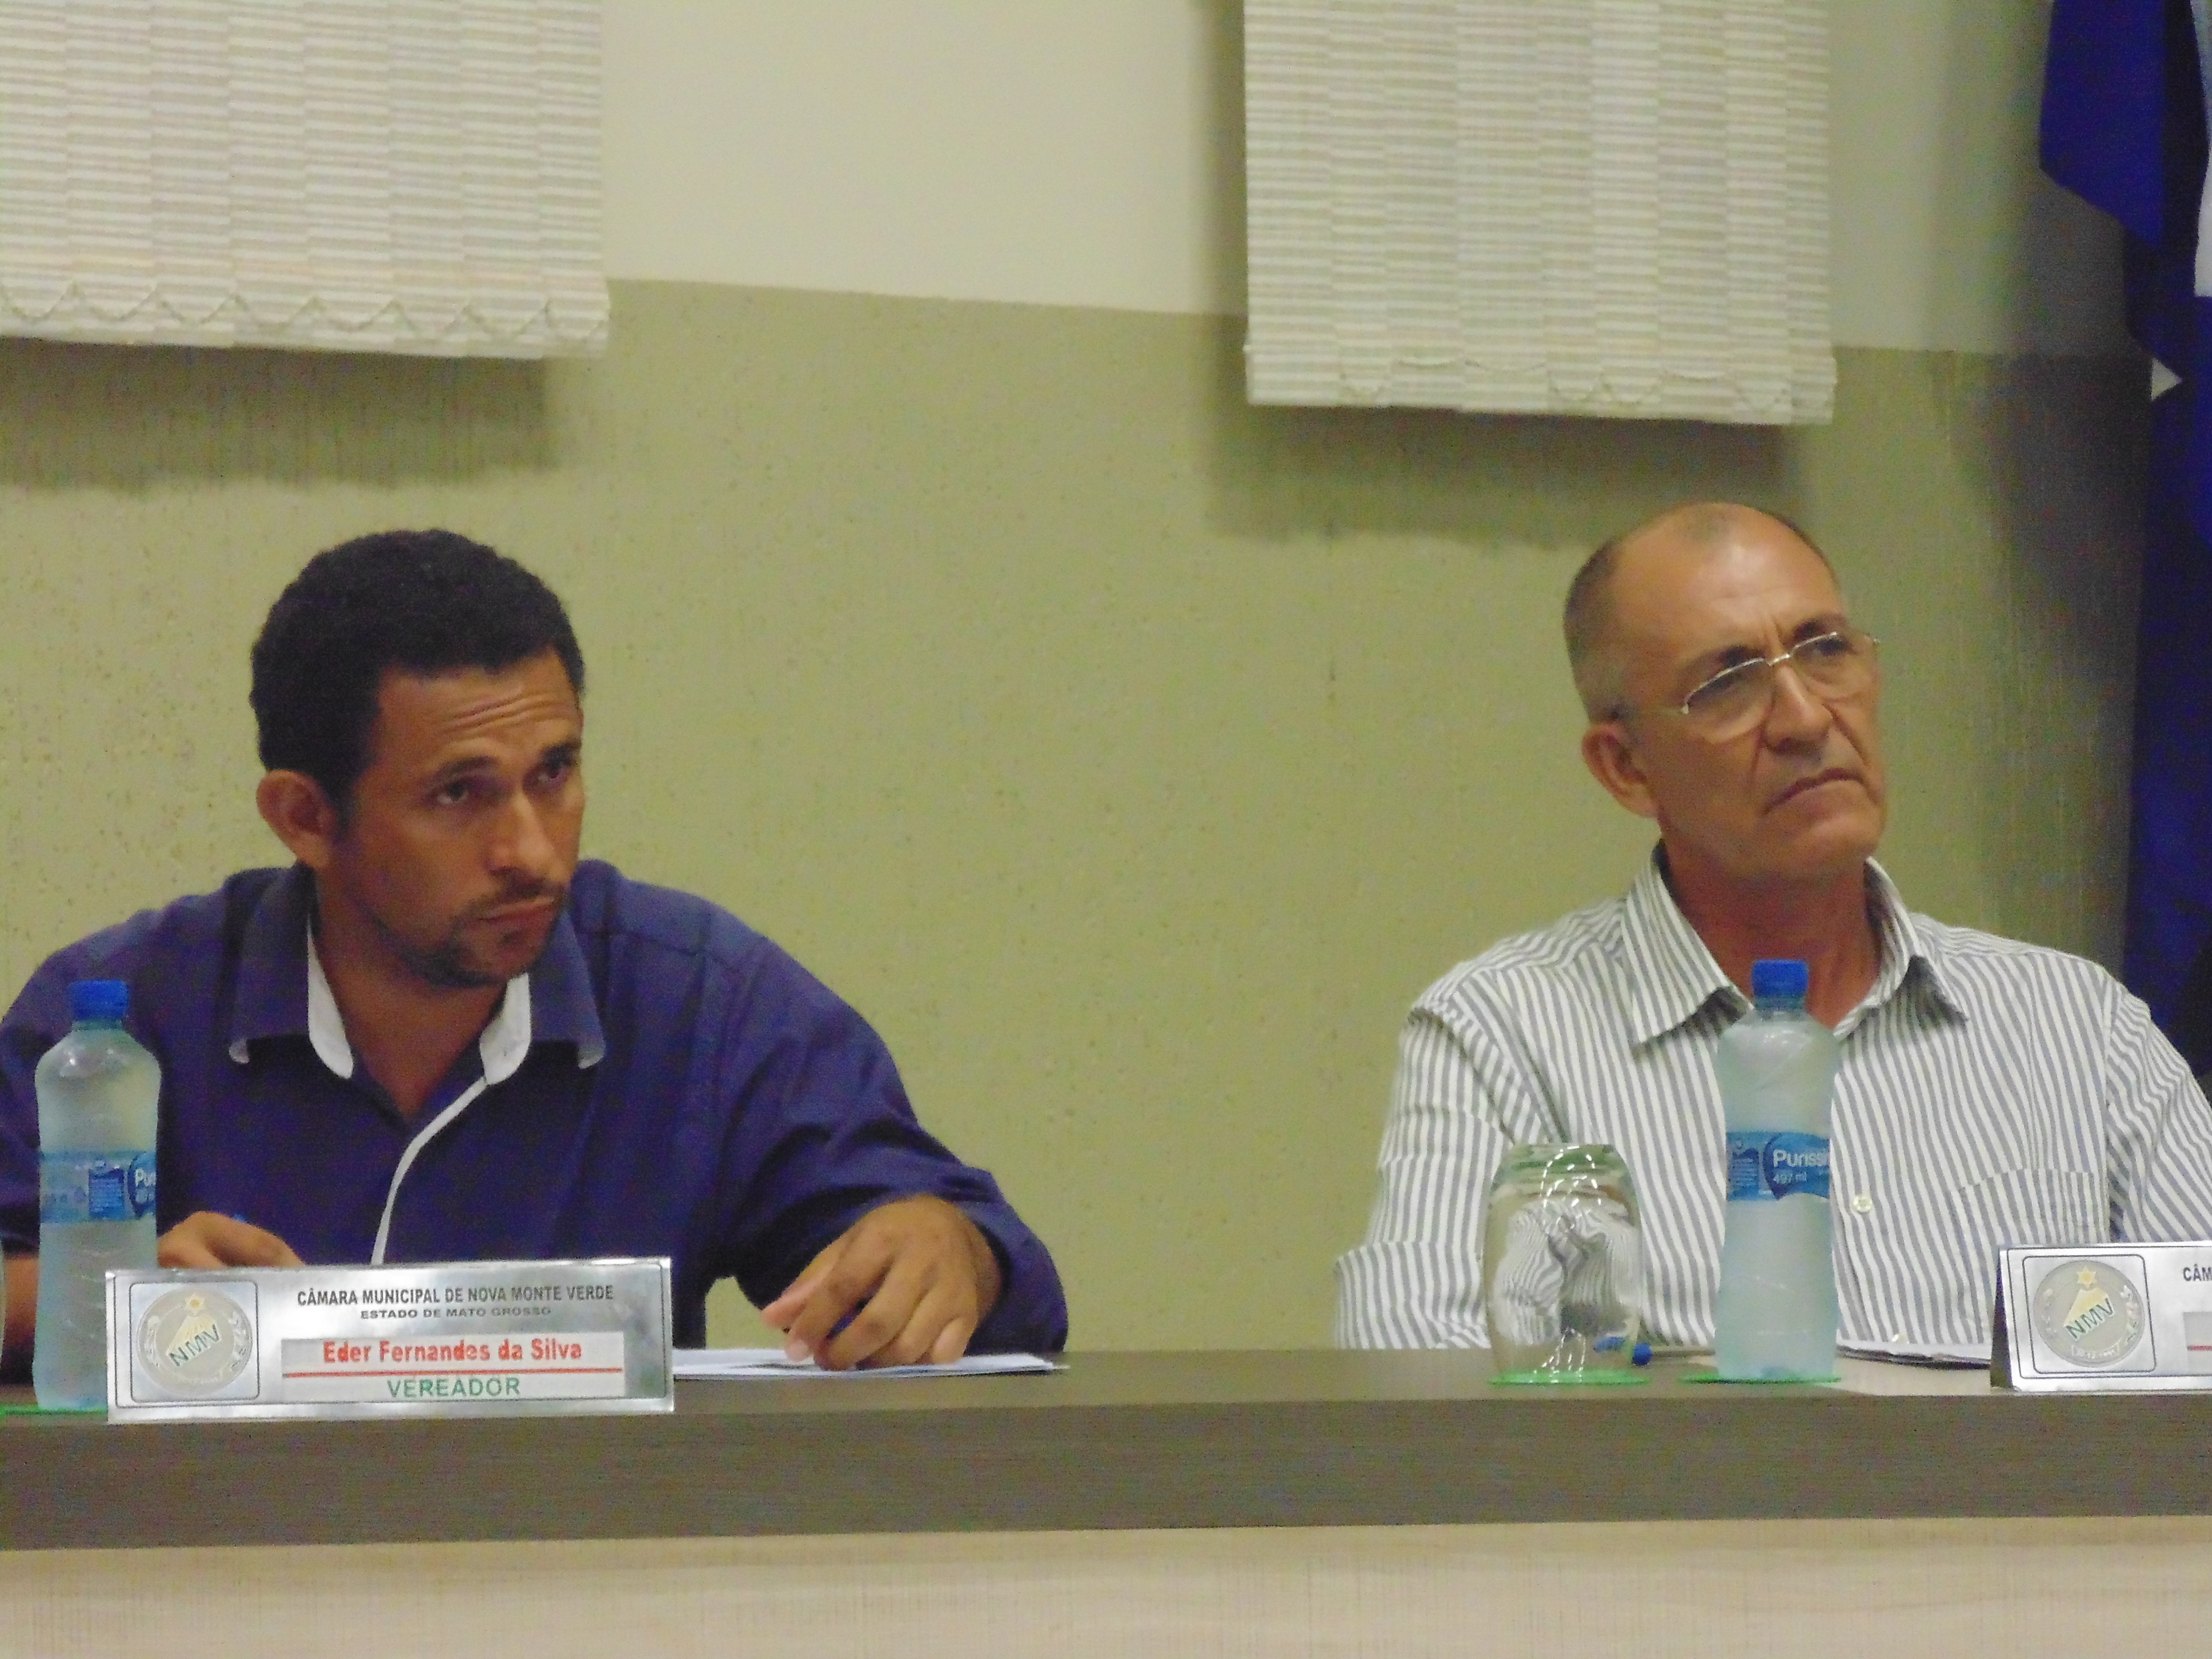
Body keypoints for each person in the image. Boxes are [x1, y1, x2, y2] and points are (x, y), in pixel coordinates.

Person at [0, 530, 1066, 1371]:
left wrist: (952, 1252)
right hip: (214, 1558)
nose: (532, 853)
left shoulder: (693, 1000)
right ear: (307, 819)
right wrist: (102, 1294)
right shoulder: (124, 1016)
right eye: (459, 794)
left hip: (585, 1560)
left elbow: (971, 1255)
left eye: (553, 775)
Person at [1336, 503, 2212, 1351]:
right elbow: (1419, 1391)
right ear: (1627, 766)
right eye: (1727, 685)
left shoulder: (2075, 1025)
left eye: (1826, 650)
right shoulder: (1505, 1035)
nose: (1805, 718)